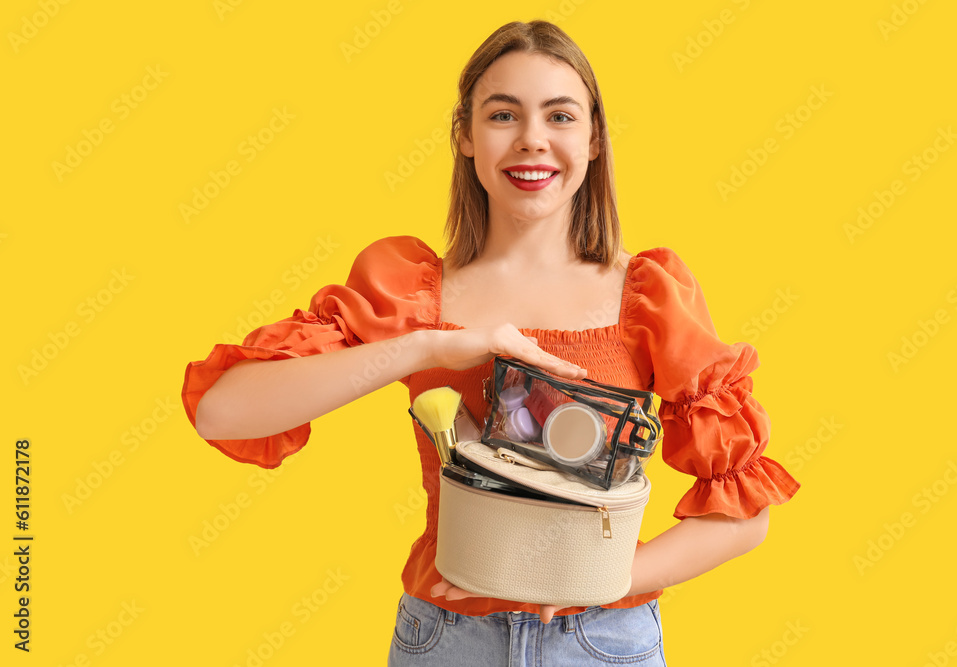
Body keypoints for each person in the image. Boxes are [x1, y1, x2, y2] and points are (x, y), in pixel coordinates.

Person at [181, 20, 800, 666]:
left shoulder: (649, 296)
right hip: (446, 639)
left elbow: (745, 514)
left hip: (602, 641)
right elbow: (223, 410)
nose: (532, 139)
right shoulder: (410, 288)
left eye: (560, 116)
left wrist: (605, 576)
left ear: (593, 140)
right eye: (503, 114)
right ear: (466, 137)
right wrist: (429, 347)